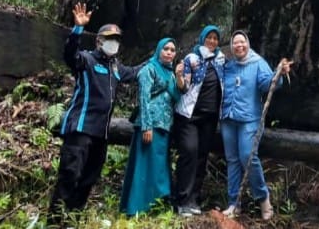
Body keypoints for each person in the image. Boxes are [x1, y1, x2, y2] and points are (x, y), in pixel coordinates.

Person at [49, 3, 139, 220]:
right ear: (99, 41)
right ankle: (54, 221)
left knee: (89, 179)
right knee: (70, 174)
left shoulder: (116, 68)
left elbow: (137, 72)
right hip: (80, 128)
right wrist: (77, 29)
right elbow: (70, 55)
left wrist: (160, 59)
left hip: (102, 134)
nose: (113, 43)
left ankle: (72, 219)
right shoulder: (87, 60)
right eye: (109, 38)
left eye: (117, 39)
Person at [220, 30, 292, 221]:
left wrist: (279, 73)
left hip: (249, 119)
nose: (239, 46)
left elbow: (269, 85)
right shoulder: (228, 66)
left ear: (248, 43)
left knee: (247, 156)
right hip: (228, 118)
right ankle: (233, 204)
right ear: (232, 46)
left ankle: (263, 200)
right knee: (233, 160)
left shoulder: (257, 63)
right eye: (235, 43)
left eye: (242, 42)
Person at [120, 36, 185, 216]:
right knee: (144, 165)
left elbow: (177, 97)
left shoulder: (170, 73)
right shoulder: (149, 69)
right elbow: (144, 99)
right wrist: (146, 127)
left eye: (173, 50)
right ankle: (137, 207)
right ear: (159, 50)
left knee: (158, 167)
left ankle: (155, 205)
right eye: (166, 49)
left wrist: (179, 77)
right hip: (150, 126)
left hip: (165, 126)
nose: (170, 53)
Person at [172, 25, 226, 217]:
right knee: (189, 151)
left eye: (215, 38)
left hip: (210, 118)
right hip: (189, 116)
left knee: (202, 155)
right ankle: (182, 199)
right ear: (202, 38)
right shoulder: (192, 59)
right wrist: (179, 76)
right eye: (209, 38)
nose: (212, 41)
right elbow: (184, 87)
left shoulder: (221, 60)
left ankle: (194, 198)